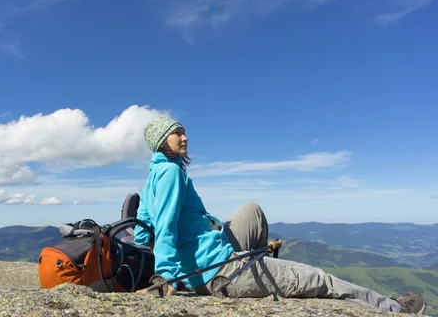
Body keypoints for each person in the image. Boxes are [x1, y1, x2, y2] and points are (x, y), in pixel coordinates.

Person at [133, 116, 426, 315]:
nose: (185, 137)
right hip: (219, 271)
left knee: (252, 211)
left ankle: (264, 269)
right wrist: (169, 278)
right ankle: (394, 308)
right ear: (162, 141)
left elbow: (144, 234)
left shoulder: (151, 181)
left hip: (205, 259)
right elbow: (166, 228)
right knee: (320, 279)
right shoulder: (171, 173)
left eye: (183, 131)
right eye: (177, 133)